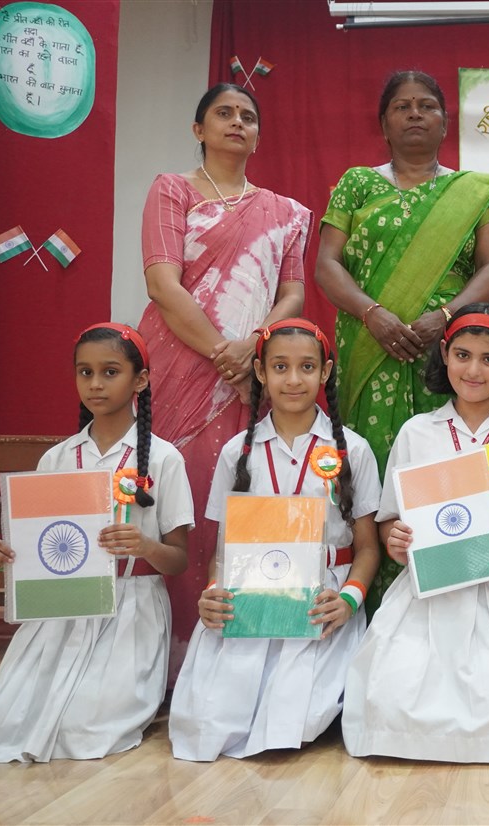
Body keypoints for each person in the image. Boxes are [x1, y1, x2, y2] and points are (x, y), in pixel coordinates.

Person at [316, 70, 489, 610]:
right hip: (368, 348)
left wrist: (445, 317)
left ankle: (453, 589)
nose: (415, 114)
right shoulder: (357, 184)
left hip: (445, 355)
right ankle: (370, 606)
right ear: (383, 123)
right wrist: (373, 313)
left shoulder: (471, 192)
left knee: (441, 464)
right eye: (402, 107)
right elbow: (327, 265)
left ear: (446, 122)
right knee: (372, 466)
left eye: (427, 105)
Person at [138, 83, 312, 670]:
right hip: (180, 366)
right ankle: (166, 662)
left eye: (248, 116)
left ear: (258, 135)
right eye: (223, 113)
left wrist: (254, 351)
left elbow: (292, 294)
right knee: (176, 499)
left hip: (253, 372)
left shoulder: (286, 212)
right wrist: (226, 355)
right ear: (199, 129)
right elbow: (162, 284)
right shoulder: (172, 190)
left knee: (240, 499)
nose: (237, 122)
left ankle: (237, 652)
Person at [343, 304, 489, 763]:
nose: (474, 370)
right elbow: (390, 519)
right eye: (462, 355)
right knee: (390, 701)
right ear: (444, 354)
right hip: (429, 590)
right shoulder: (417, 431)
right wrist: (396, 541)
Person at [0, 323, 192, 763]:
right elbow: (39, 549)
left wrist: (145, 546)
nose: (95, 384)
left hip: (132, 606)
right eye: (84, 372)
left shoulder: (164, 458)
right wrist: (4, 555)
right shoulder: (57, 457)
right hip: (63, 606)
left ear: (140, 380)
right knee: (7, 723)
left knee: (86, 728)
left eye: (110, 372)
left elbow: (179, 560)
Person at [169, 320, 380, 762]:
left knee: (297, 720)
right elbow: (223, 551)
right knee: (207, 720)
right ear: (260, 372)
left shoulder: (353, 450)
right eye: (280, 367)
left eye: (307, 367)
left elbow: (367, 548)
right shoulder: (237, 452)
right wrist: (214, 591)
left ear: (325, 372)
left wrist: (348, 600)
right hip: (251, 595)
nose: (293, 379)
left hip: (322, 597)